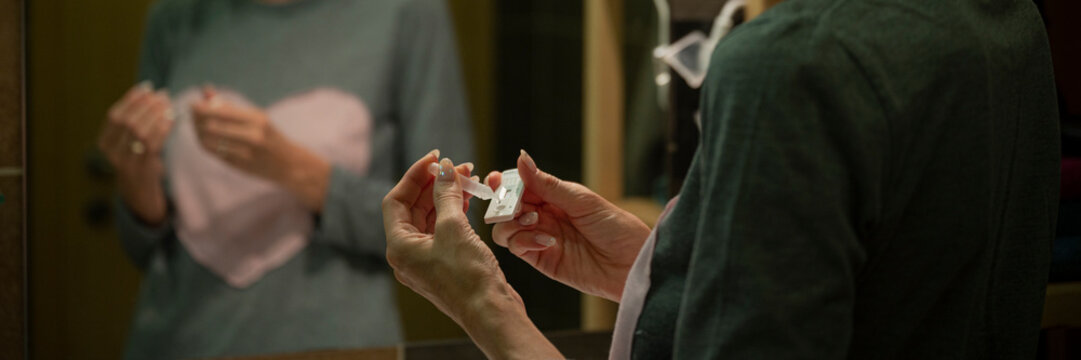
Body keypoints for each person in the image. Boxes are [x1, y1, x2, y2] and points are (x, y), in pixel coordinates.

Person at [381, 0, 1059, 358]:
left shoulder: (791, 66)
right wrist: (656, 273)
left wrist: (485, 309)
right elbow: (903, 292)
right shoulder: (1002, 18)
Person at [96, 0, 473, 358]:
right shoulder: (175, 17)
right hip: (179, 343)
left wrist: (296, 170)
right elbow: (141, 248)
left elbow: (451, 226)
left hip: (336, 348)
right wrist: (136, 181)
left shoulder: (405, 12)